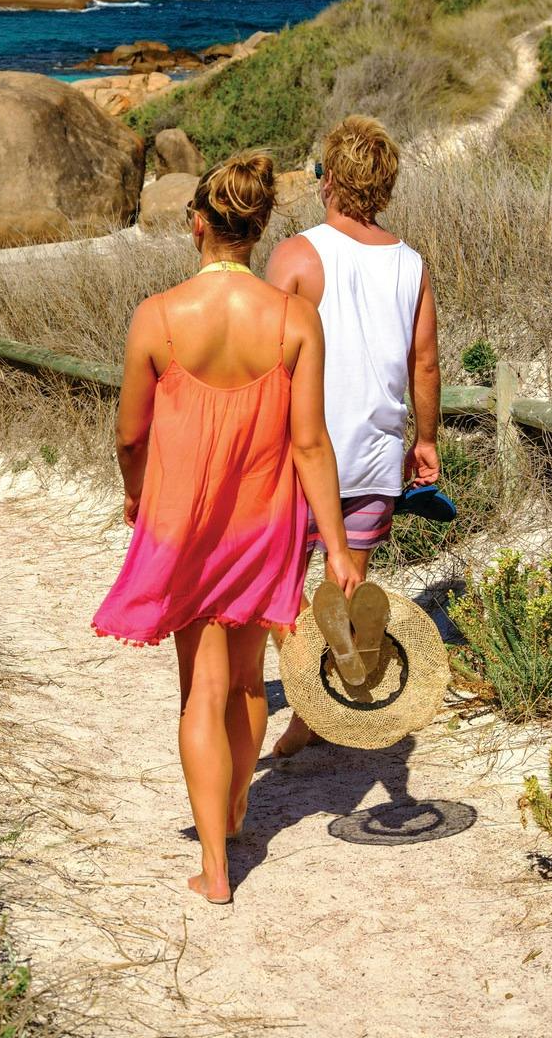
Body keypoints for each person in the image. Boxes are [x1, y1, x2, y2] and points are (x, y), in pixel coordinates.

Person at [93, 152, 364, 905]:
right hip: (264, 522)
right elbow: (311, 443)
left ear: (197, 225)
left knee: (199, 688)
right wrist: (337, 546)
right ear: (259, 228)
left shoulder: (157, 315)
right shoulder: (292, 319)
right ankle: (238, 807)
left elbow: (128, 435)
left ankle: (214, 861)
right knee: (247, 680)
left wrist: (134, 493)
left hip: (182, 522)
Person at [265, 114, 440, 758]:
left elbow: (266, 356)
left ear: (329, 179)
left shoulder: (297, 254)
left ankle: (307, 706)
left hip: (295, 455)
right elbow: (424, 360)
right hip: (373, 453)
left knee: (279, 592)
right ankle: (328, 696)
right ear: (386, 187)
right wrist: (427, 439)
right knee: (346, 587)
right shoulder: (410, 263)